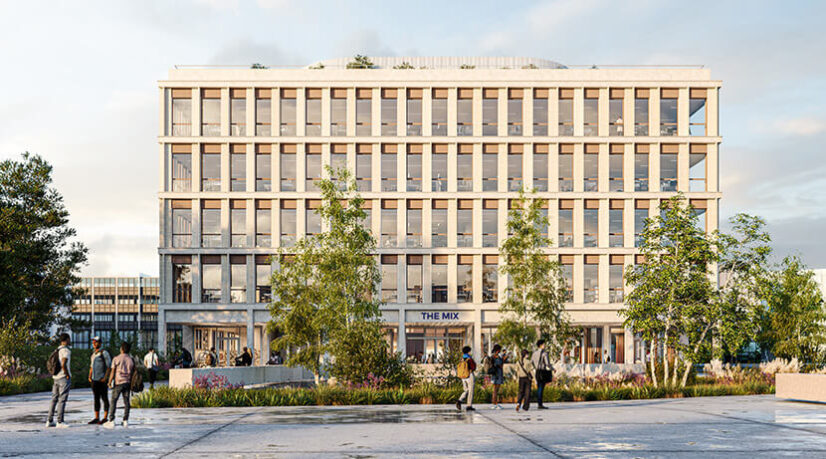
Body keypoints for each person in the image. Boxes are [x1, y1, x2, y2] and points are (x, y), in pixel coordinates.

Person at [103, 342, 135, 428]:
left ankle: (112, 420)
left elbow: (112, 372)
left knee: (113, 401)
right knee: (126, 402)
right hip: (127, 383)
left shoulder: (116, 359)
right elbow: (132, 373)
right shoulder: (131, 359)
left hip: (118, 383)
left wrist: (109, 382)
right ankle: (125, 420)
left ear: (121, 349)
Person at [46, 333, 72, 428]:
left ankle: (49, 420)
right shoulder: (65, 350)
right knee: (62, 399)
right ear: (67, 339)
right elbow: (64, 364)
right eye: (69, 339)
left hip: (55, 377)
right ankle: (60, 421)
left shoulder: (57, 350)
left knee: (54, 399)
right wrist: (67, 375)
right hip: (63, 377)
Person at [87, 336, 111, 423]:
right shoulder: (93, 354)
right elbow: (91, 366)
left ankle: (105, 417)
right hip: (94, 379)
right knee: (96, 398)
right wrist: (89, 376)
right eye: (93, 342)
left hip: (102, 379)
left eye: (96, 342)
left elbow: (109, 366)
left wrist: (105, 377)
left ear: (100, 343)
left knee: (104, 398)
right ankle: (96, 417)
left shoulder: (104, 353)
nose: (94, 343)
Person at [532, 339, 552, 410]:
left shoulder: (534, 353)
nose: (545, 345)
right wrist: (552, 368)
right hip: (542, 371)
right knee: (541, 388)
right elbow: (547, 363)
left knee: (538, 387)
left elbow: (532, 362)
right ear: (541, 345)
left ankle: (539, 403)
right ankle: (540, 404)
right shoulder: (544, 353)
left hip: (537, 371)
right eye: (544, 344)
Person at [455, 346, 477, 412]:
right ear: (468, 351)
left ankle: (459, 400)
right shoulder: (469, 358)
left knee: (465, 390)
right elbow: (473, 367)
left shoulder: (461, 358)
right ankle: (469, 405)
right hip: (469, 375)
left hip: (462, 376)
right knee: (470, 390)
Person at [489, 344, 504, 409]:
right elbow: (499, 364)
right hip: (497, 375)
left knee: (495, 390)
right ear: (498, 350)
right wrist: (503, 360)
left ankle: (495, 403)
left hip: (496, 374)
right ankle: (494, 403)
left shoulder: (494, 356)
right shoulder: (495, 357)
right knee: (495, 390)